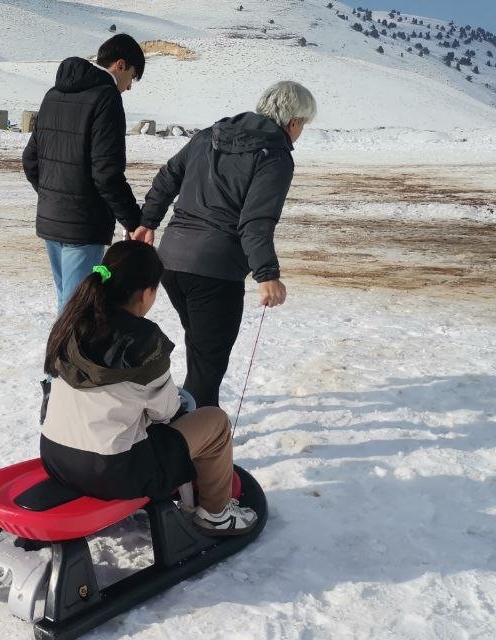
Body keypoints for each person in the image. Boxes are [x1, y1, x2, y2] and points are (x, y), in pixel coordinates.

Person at [40, 240, 257, 534]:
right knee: (214, 422)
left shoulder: (70, 323)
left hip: (55, 457)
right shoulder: (143, 340)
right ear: (146, 292)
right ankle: (216, 514)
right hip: (112, 472)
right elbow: (166, 412)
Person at [138, 81, 316, 408]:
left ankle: (197, 427)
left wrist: (148, 221)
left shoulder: (210, 134)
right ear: (294, 122)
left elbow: (168, 177)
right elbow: (256, 221)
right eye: (303, 125)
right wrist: (267, 275)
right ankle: (196, 443)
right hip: (214, 271)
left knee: (203, 352)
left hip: (172, 261)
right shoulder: (274, 155)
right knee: (208, 363)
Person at [22, 33, 153, 314]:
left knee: (67, 302)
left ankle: (61, 357)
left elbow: (30, 159)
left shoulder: (53, 94)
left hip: (52, 219)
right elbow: (106, 172)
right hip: (83, 224)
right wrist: (133, 221)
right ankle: (66, 359)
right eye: (132, 76)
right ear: (120, 64)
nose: (129, 87)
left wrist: (53, 196)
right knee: (78, 310)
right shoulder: (106, 98)